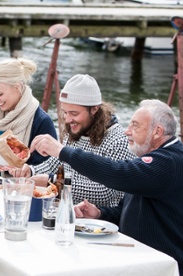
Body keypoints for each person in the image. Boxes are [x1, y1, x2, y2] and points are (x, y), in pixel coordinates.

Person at [30, 99, 183, 275]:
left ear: (157, 132)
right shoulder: (155, 159)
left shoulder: (170, 162)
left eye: (135, 126)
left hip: (171, 266)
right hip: (143, 258)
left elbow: (117, 173)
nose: (127, 131)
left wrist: (62, 151)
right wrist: (100, 214)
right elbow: (129, 211)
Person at [11, 74, 135, 207]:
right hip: (68, 210)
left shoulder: (119, 140)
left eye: (74, 114)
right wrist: (30, 171)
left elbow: (106, 192)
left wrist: (54, 182)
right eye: (65, 112)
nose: (68, 119)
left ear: (94, 109)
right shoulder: (77, 128)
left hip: (100, 221)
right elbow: (56, 164)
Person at [0, 57, 57, 166]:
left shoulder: (42, 122)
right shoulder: (0, 115)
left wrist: (0, 154)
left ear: (17, 87)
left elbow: (49, 168)